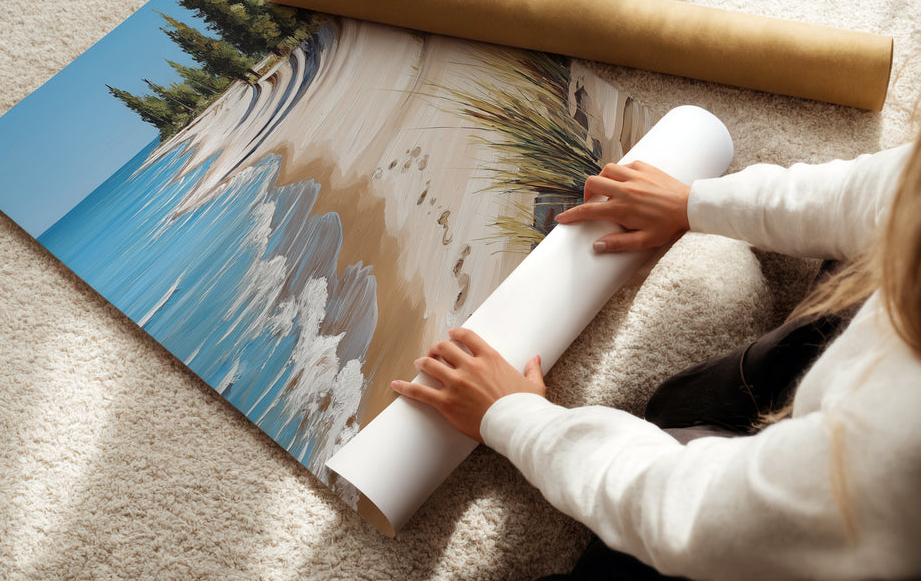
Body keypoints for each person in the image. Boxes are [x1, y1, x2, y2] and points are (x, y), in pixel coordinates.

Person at [391, 137, 921, 580]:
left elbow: (691, 513)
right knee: (681, 404)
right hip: (849, 417)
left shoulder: (894, 451)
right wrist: (692, 203)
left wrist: (514, 417)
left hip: (838, 529)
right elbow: (876, 192)